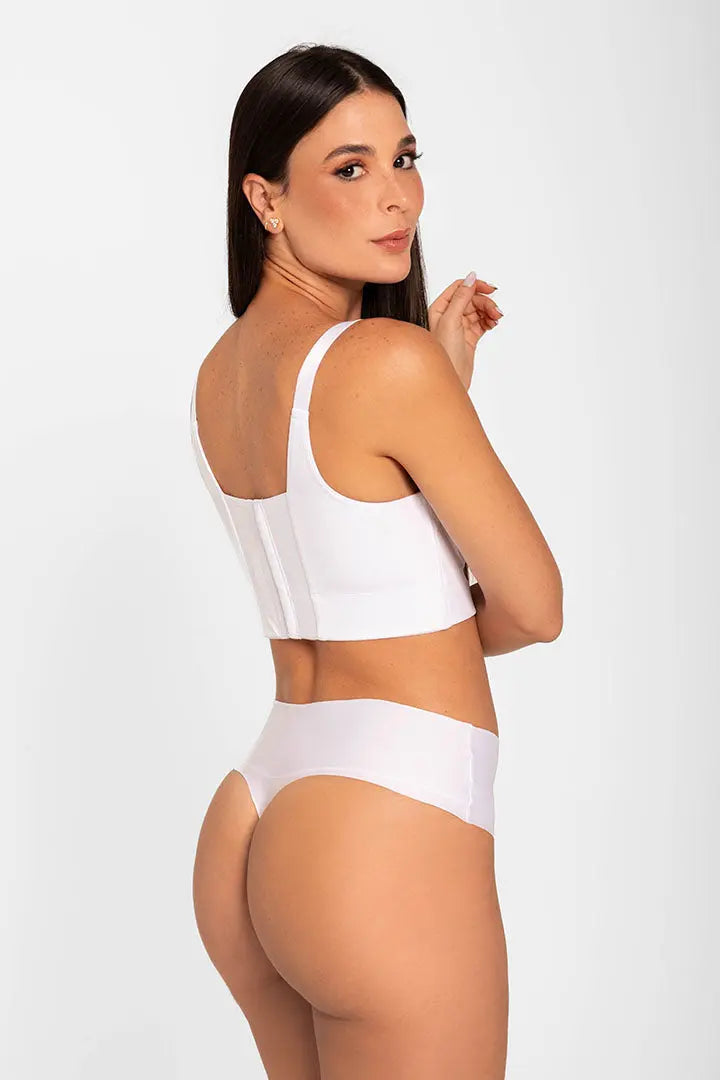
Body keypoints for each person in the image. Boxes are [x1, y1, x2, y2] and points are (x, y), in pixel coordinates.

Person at [189, 42, 563, 1080]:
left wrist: (441, 387)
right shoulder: (387, 363)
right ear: (265, 199)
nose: (397, 196)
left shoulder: (219, 377)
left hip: (258, 807)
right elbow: (535, 607)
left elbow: (350, 556)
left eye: (404, 158)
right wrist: (428, 383)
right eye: (349, 168)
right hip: (380, 825)